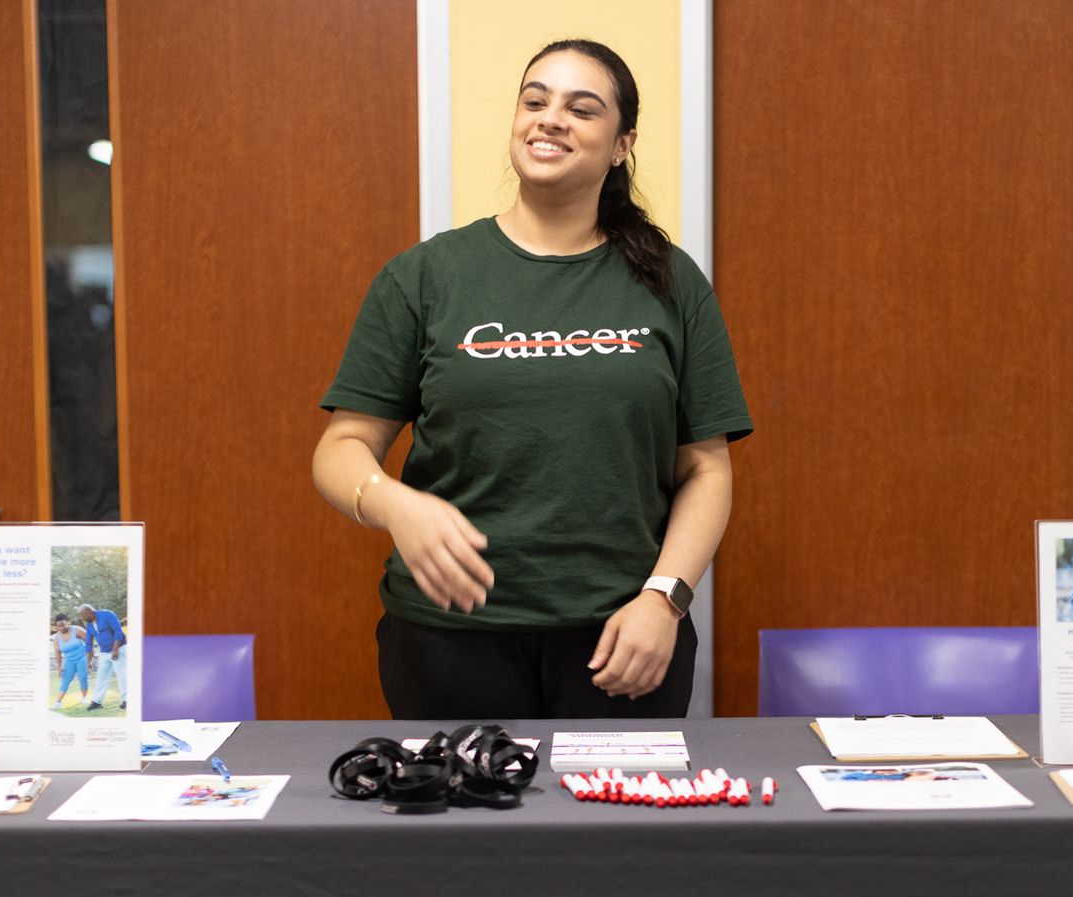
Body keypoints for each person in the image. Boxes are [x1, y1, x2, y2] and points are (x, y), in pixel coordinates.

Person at [311, 38, 752, 720]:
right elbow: (340, 449)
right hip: (448, 640)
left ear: (620, 145)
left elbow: (707, 470)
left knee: (614, 831)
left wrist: (664, 597)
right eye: (535, 100)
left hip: (622, 643)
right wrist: (394, 503)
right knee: (465, 831)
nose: (550, 118)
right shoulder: (424, 277)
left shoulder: (670, 280)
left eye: (581, 108)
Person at [78, 603, 128, 712]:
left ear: (88, 612)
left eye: (83, 616)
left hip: (119, 648)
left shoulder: (107, 615)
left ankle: (126, 700)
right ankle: (97, 701)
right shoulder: (89, 625)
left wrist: (115, 650)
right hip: (104, 652)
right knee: (101, 676)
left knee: (122, 674)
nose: (82, 619)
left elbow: (118, 631)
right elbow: (88, 644)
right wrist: (88, 662)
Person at [50, 615, 89, 709]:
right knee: (65, 680)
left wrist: (89, 658)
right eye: (59, 626)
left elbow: (89, 640)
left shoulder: (77, 630)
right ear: (56, 626)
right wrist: (59, 668)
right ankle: (58, 702)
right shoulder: (56, 638)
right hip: (69, 661)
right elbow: (58, 654)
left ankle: (84, 698)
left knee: (82, 678)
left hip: (82, 658)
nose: (61, 628)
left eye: (63, 625)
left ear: (67, 622)